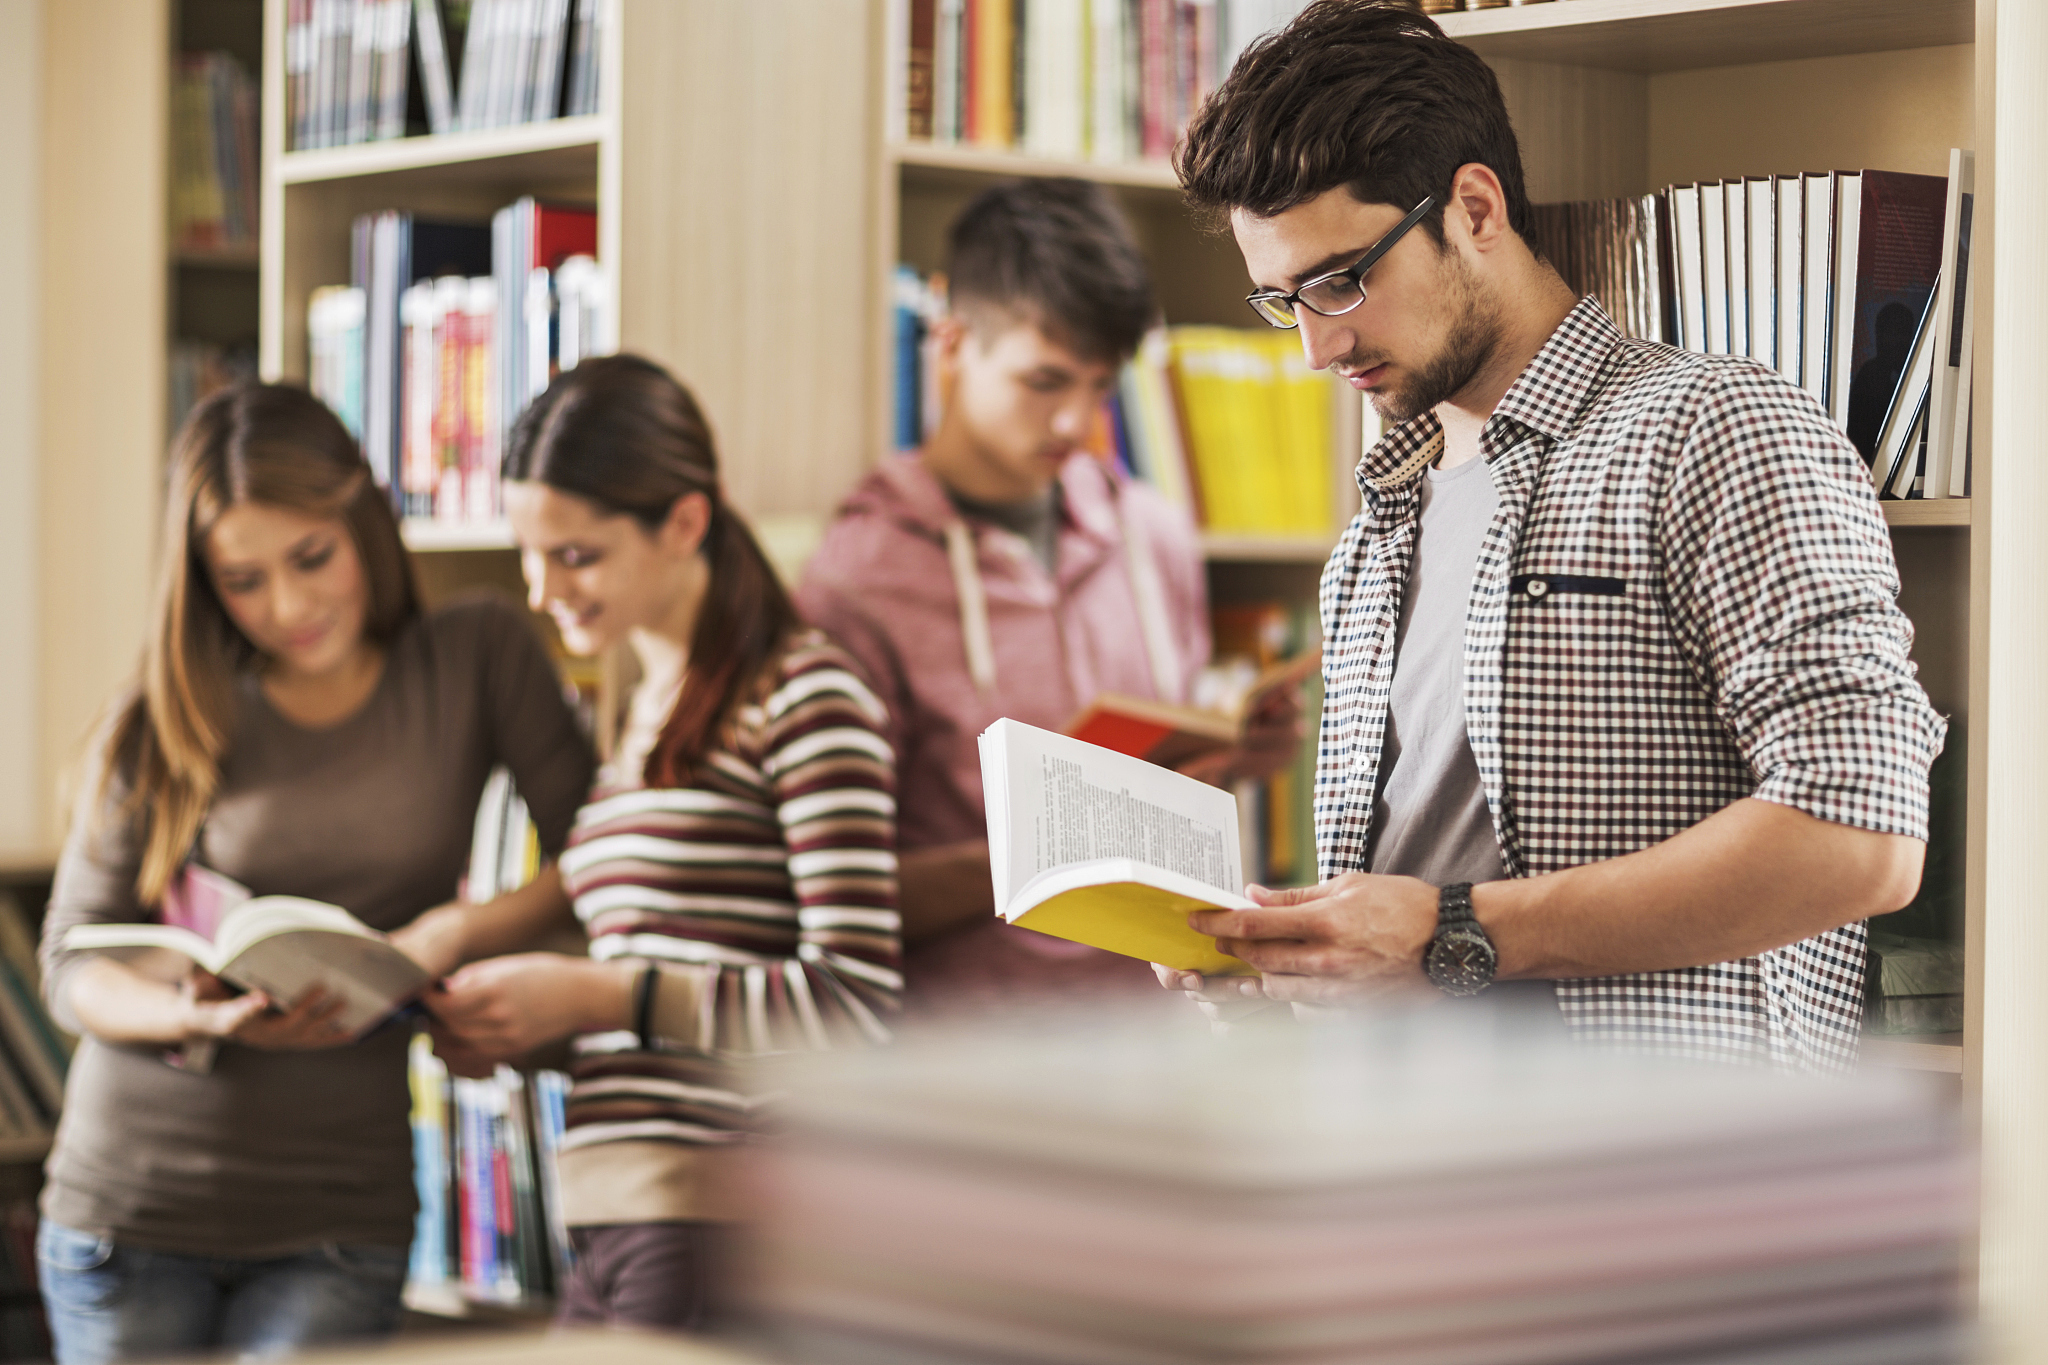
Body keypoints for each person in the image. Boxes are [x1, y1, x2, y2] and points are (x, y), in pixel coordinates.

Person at [1159, 0, 1944, 1068]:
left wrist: (1453, 935)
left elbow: (1858, 841)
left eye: (1340, 280)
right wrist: (1289, 973)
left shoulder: (1715, 430)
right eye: (1279, 301)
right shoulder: (1375, 529)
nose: (1313, 346)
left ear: (1474, 208)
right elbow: (1405, 916)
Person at [37, 383, 595, 1364]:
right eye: (243, 580)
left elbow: (605, 859)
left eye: (310, 558)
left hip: (339, 1222)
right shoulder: (168, 710)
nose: (287, 606)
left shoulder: (474, 655)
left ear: (363, 521)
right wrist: (194, 1016)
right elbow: (69, 971)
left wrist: (450, 935)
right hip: (128, 1211)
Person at [423, 354, 900, 1332]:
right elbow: (678, 985)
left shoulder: (806, 698)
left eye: (576, 555)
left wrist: (600, 992)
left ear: (684, 522)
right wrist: (528, 1028)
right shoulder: (645, 710)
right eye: (529, 552)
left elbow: (853, 1010)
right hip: (611, 1220)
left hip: (712, 1224)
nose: (540, 588)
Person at [797, 178, 1300, 1016]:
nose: (1075, 423)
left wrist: (1230, 762)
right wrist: (1066, 840)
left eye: (1099, 388)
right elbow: (839, 895)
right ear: (952, 346)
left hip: (1164, 1031)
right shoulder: (855, 580)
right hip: (970, 1052)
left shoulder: (1156, 534)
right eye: (1045, 381)